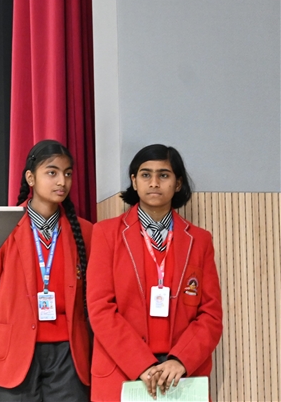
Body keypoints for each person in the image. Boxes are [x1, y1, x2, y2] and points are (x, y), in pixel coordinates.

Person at [86, 144, 223, 401]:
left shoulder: (200, 240)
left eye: (164, 175)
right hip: (122, 370)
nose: (154, 182)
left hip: (181, 374)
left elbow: (211, 314)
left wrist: (181, 360)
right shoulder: (106, 234)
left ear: (178, 183)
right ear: (134, 181)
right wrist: (141, 363)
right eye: (146, 174)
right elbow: (100, 309)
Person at [0, 139, 92, 401]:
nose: (62, 181)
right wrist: (0, 344)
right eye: (52, 172)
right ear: (30, 178)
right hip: (14, 352)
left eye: (68, 174)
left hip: (69, 356)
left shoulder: (86, 231)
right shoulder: (0, 227)